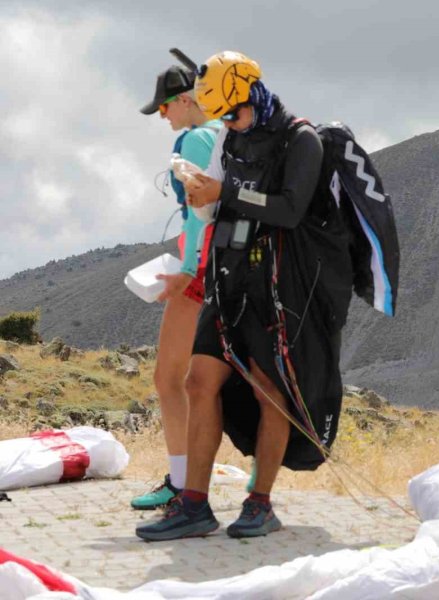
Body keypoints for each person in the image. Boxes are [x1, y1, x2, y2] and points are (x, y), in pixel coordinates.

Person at [136, 50, 353, 542]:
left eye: (234, 113)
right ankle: (193, 504)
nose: (230, 124)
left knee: (268, 390)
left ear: (251, 94)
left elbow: (290, 209)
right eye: (224, 117)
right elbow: (214, 206)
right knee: (198, 382)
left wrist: (223, 193)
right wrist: (198, 195)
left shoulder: (301, 139)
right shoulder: (229, 138)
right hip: (228, 279)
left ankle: (260, 501)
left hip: (278, 284)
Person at [132, 66, 221, 510]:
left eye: (165, 106)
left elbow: (197, 211)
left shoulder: (193, 140)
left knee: (170, 379)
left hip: (197, 270)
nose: (163, 115)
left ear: (186, 99)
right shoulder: (227, 133)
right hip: (226, 267)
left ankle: (183, 485)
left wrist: (187, 269)